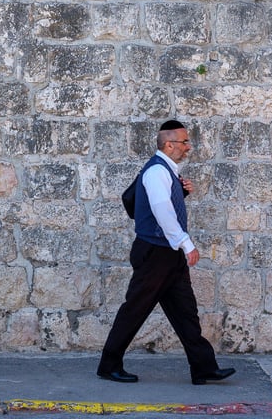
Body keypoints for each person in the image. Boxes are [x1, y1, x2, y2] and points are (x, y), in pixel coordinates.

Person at [97, 119, 235, 385]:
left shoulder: (167, 172)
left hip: (167, 255)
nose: (188, 147)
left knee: (185, 312)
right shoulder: (156, 171)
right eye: (184, 142)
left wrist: (180, 194)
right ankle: (108, 364)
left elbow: (162, 206)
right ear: (169, 144)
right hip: (155, 255)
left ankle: (203, 367)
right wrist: (186, 243)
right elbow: (161, 212)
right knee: (134, 310)